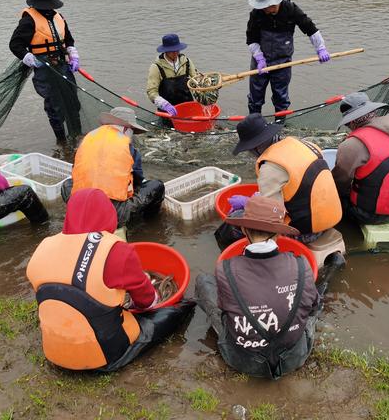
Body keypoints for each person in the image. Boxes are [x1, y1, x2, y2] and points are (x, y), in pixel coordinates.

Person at [27, 188, 194, 371]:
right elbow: (146, 302)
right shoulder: (116, 250)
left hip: (54, 352)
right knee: (176, 310)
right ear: (108, 214)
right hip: (104, 355)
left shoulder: (44, 246)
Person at [196, 196, 319, 379]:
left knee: (204, 281)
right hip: (294, 358)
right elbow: (314, 307)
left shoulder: (225, 269)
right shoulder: (302, 265)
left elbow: (224, 310)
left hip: (243, 361)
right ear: (278, 234)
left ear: (244, 230)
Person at [229, 113, 342, 243]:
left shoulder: (270, 166)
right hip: (333, 217)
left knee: (234, 220)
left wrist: (247, 203)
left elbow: (271, 213)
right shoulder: (304, 144)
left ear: (255, 147)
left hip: (307, 231)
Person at [61, 107, 165, 227]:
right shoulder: (127, 147)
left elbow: (76, 171)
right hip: (111, 212)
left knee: (67, 184)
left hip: (82, 205)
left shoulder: (88, 138)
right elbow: (137, 180)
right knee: (157, 186)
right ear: (126, 129)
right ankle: (147, 225)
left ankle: (78, 216)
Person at [333, 93, 389, 225]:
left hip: (369, 214)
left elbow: (339, 183)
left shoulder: (352, 145)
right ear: (373, 111)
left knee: (335, 194)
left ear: (351, 121)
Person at [246, 0, 331, 115]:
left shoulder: (290, 9)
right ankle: (255, 121)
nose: (265, 9)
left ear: (276, 2)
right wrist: (260, 58)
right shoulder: (256, 14)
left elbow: (310, 28)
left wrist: (320, 48)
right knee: (256, 96)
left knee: (281, 96)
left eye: (267, 5)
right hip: (260, 60)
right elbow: (251, 39)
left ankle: (280, 124)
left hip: (283, 61)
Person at [9, 0, 82, 142]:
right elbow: (15, 45)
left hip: (62, 64)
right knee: (54, 105)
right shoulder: (28, 20)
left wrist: (73, 54)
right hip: (43, 67)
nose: (47, 9)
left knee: (72, 101)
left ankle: (75, 137)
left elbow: (68, 39)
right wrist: (30, 58)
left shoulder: (59, 17)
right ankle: (61, 141)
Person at [146, 33, 197, 117]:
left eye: (177, 49)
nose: (175, 52)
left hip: (188, 107)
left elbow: (196, 81)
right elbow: (151, 91)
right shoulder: (156, 67)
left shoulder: (187, 62)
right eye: (172, 50)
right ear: (165, 50)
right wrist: (164, 105)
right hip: (167, 111)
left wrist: (209, 87)